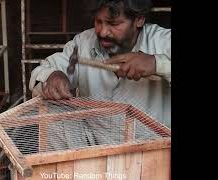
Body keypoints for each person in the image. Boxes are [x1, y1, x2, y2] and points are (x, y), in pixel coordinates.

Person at [29, 0, 171, 151]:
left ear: (139, 20)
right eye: (98, 21)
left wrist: (157, 64)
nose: (103, 32)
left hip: (153, 150)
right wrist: (53, 75)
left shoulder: (164, 41)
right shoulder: (83, 43)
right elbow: (47, 69)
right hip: (93, 148)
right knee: (53, 109)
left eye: (113, 24)